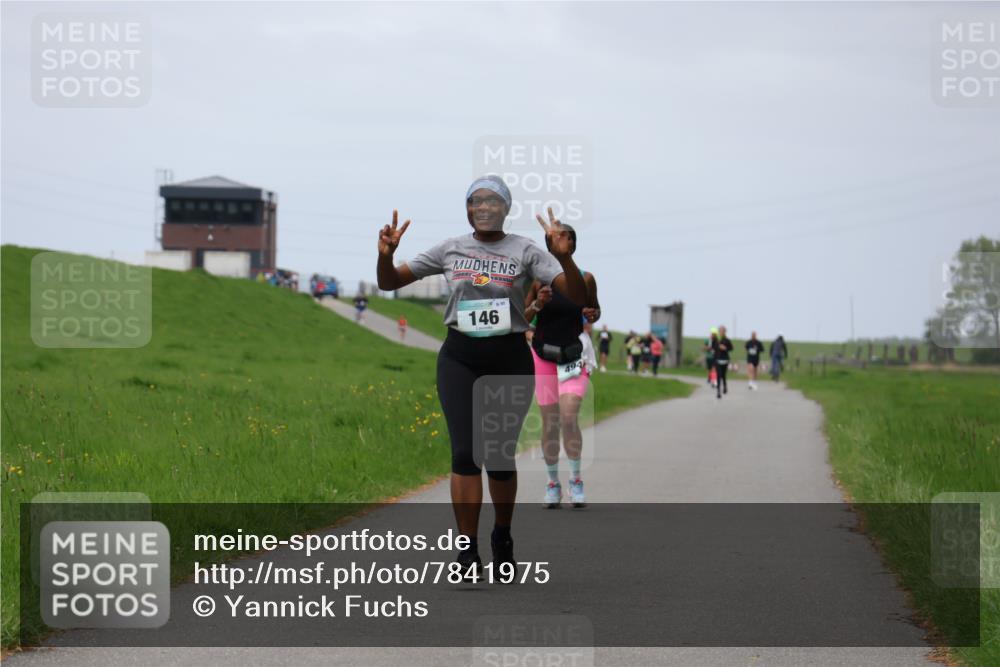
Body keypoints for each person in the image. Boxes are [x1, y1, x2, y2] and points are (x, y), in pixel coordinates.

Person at [375, 175, 587, 581]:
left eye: (494, 201)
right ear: (468, 209)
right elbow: (389, 282)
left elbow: (576, 296)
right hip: (460, 357)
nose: (485, 207)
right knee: (464, 454)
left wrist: (565, 259)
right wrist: (386, 255)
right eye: (476, 202)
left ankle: (502, 536)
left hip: (508, 359)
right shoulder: (451, 248)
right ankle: (466, 550)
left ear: (506, 209)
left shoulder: (524, 250)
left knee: (499, 457)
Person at [524, 225, 600, 509]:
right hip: (543, 355)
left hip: (573, 356)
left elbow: (595, 307)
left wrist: (592, 312)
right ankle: (553, 482)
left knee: (568, 417)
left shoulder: (586, 278)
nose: (559, 243)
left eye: (565, 239)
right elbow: (523, 316)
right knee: (550, 422)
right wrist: (538, 307)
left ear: (573, 245)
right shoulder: (538, 279)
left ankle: (576, 480)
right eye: (553, 240)